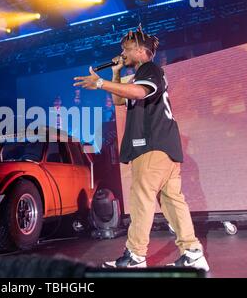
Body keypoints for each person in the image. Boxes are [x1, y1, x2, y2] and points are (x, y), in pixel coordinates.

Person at [73, 25, 209, 271]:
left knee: (141, 200)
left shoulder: (150, 69)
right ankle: (192, 252)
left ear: (139, 50)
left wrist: (101, 83)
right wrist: (115, 74)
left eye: (125, 49)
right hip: (164, 149)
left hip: (151, 147)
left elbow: (138, 92)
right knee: (172, 202)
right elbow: (119, 100)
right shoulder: (142, 73)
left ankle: (135, 256)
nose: (122, 53)